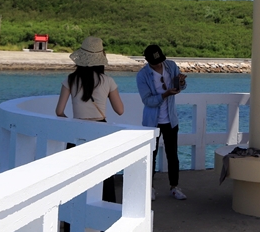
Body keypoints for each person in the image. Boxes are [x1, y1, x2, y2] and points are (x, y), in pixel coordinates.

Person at [55, 36, 125, 203]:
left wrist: (72, 121)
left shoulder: (70, 80)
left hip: (77, 131)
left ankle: (71, 223)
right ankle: (105, 221)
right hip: (100, 130)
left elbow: (59, 111)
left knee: (75, 179)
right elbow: (120, 110)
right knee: (105, 177)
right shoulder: (107, 81)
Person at [136, 44, 187, 200]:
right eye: (155, 62)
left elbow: (181, 88)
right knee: (151, 155)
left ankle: (174, 186)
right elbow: (147, 101)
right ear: (147, 61)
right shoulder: (142, 75)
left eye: (160, 61)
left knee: (173, 155)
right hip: (152, 121)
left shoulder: (171, 66)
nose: (159, 64)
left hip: (171, 119)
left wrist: (181, 83)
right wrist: (164, 95)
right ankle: (149, 187)